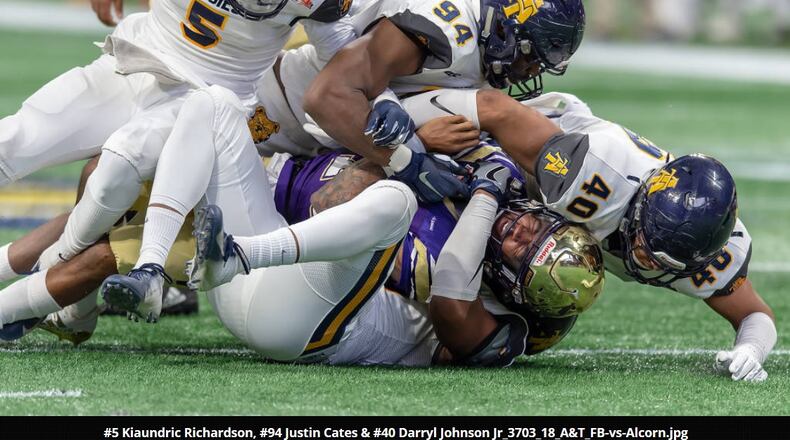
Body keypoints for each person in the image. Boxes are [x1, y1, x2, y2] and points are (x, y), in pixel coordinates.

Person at [389, 88, 777, 382]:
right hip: (536, 146)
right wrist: (401, 131)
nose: (641, 258)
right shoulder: (593, 175)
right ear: (640, 202)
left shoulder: (704, 251)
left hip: (552, 206)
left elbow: (755, 313)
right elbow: (495, 109)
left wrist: (751, 348)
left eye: (657, 258)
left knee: (532, 322)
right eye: (644, 241)